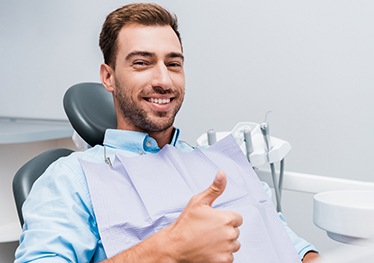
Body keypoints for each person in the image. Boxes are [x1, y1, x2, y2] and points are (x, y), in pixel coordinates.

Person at [15, 3, 319, 262]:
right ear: (108, 77)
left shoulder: (223, 164)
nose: (163, 80)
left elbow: (291, 245)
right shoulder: (72, 178)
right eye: (142, 63)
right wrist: (167, 249)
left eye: (173, 64)